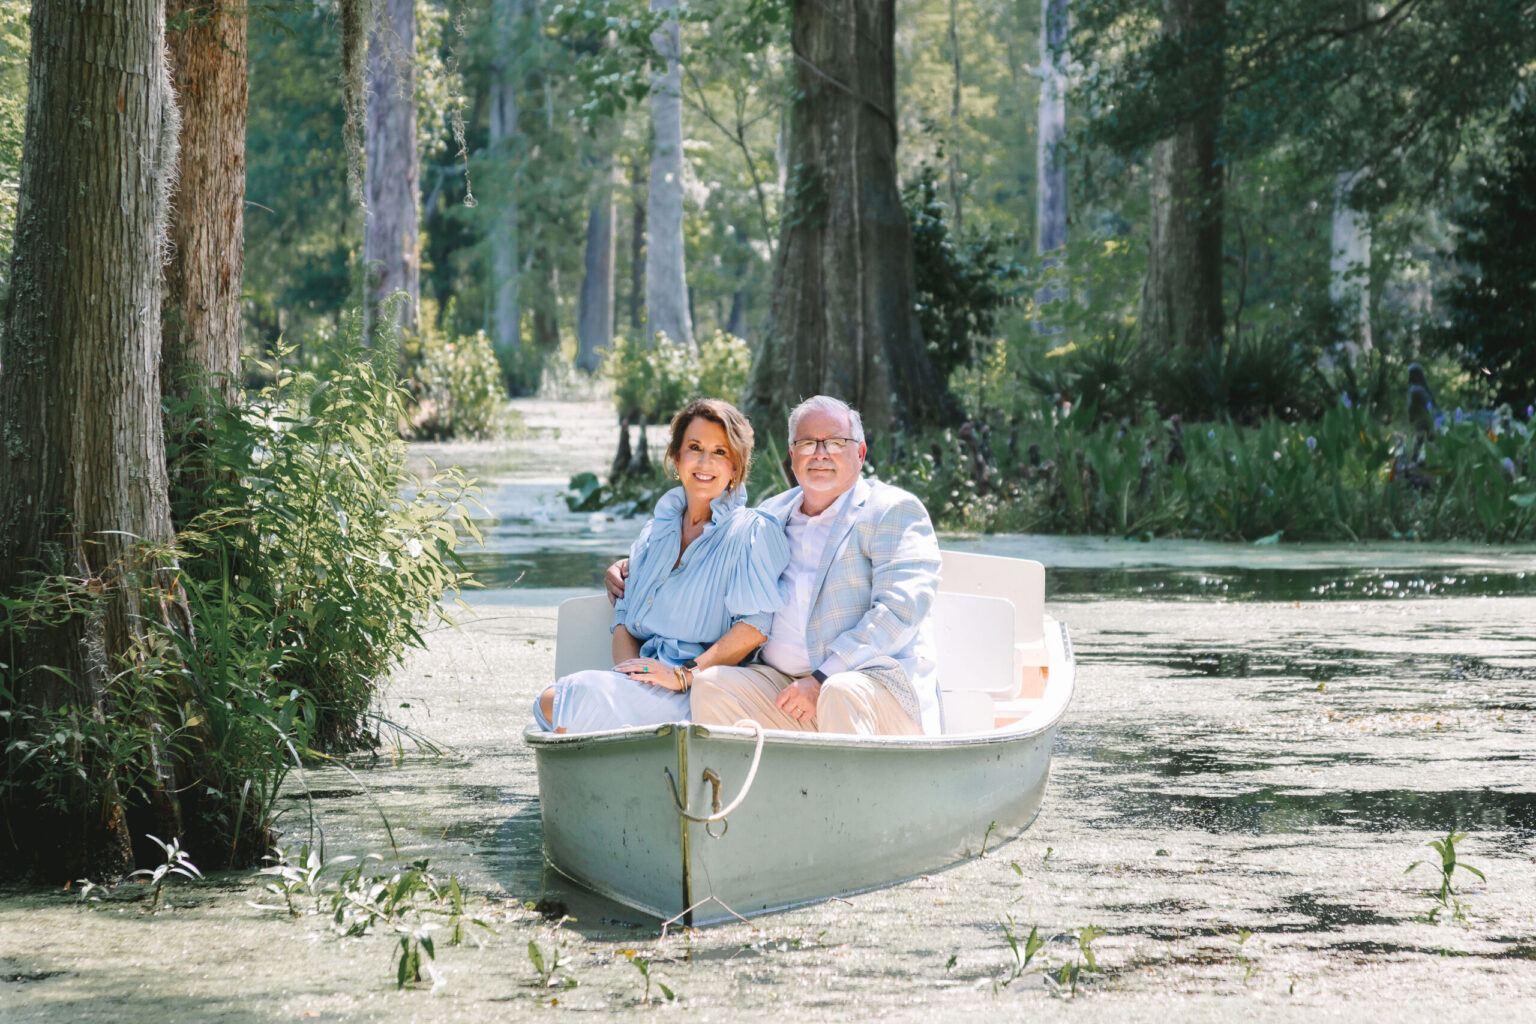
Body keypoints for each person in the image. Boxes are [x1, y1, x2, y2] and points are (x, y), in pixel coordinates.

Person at [607, 395, 942, 736]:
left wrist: (822, 677)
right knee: (712, 685)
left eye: (836, 442)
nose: (820, 453)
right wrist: (632, 568)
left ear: (860, 452)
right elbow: (706, 553)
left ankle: (847, 789)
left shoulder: (892, 510)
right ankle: (741, 788)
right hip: (783, 687)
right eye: (808, 443)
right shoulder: (772, 514)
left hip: (870, 688)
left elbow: (900, 610)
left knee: (840, 691)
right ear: (792, 455)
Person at [534, 399, 788, 733]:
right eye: (694, 447)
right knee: (553, 703)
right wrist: (634, 678)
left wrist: (683, 675)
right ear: (676, 457)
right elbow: (625, 620)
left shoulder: (752, 531)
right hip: (646, 684)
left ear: (736, 469)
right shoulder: (656, 532)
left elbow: (754, 627)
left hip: (703, 691)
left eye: (720, 452)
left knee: (560, 701)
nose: (704, 462)